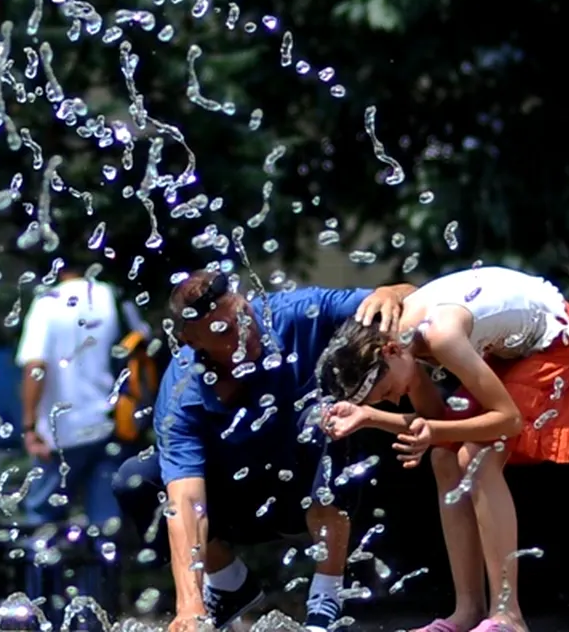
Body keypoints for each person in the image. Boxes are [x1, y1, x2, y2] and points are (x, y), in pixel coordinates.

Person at [317, 265, 569, 632]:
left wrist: (421, 428)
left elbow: (508, 421)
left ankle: (509, 616)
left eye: (385, 393)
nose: (393, 401)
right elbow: (441, 434)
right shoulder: (400, 345)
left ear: (391, 350)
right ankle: (468, 612)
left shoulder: (440, 336)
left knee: (476, 456)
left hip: (556, 341)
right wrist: (369, 416)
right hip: (510, 351)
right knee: (446, 459)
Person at [111, 269, 414, 632]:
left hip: (310, 488)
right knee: (136, 479)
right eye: (225, 331)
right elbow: (186, 502)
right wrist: (189, 607)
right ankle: (227, 584)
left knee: (329, 415)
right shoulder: (183, 395)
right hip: (238, 506)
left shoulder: (299, 312)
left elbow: (417, 300)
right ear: (191, 340)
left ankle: (326, 598)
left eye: (244, 315)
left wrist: (393, 291)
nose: (245, 333)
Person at [16, 264, 144, 623]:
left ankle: (43, 617)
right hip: (110, 429)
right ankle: (95, 618)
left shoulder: (48, 303)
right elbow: (143, 348)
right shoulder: (112, 297)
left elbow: (35, 367)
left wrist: (29, 426)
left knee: (42, 525)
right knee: (104, 530)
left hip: (60, 434)